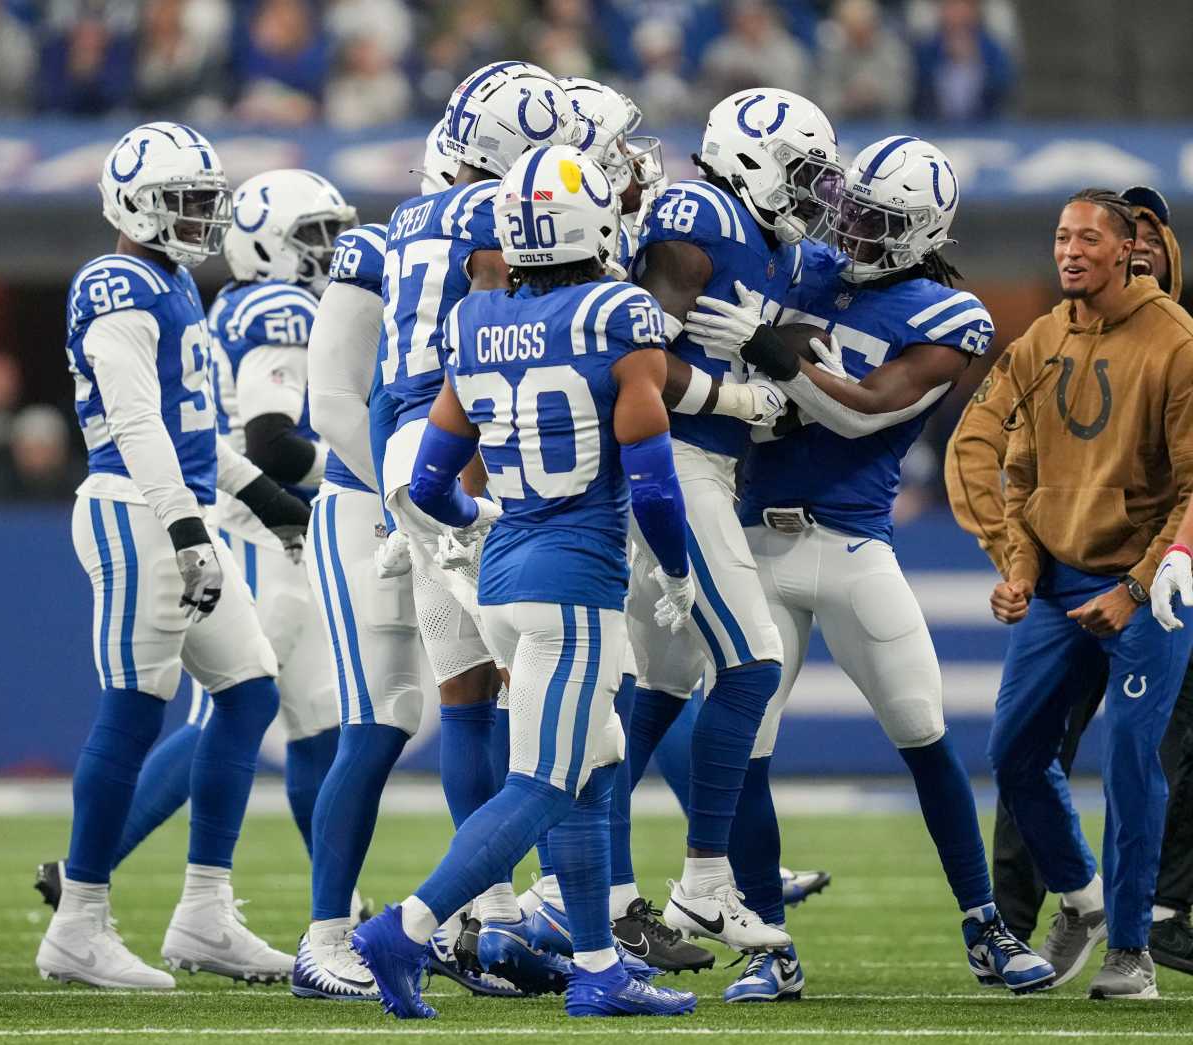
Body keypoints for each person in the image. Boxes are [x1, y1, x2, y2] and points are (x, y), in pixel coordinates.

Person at [688, 134, 1054, 997]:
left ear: (923, 231)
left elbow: (861, 416)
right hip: (752, 538)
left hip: (852, 545)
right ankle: (767, 947)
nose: (848, 227)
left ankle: (985, 925)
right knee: (748, 746)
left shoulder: (946, 316)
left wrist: (775, 351)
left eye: (875, 219)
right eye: (849, 207)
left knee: (922, 730)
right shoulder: (802, 265)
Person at [352, 143, 697, 1021]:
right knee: (544, 782)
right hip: (574, 583)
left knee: (594, 767)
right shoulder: (620, 314)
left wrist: (481, 519)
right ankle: (409, 926)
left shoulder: (474, 320)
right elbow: (653, 481)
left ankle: (596, 965)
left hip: (505, 580)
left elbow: (430, 485)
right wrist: (680, 572)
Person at [35, 122, 310, 989]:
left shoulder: (172, 281)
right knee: (135, 710)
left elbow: (191, 427)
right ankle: (78, 923)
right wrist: (188, 529)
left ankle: (203, 912)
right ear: (133, 205)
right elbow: (135, 424)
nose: (199, 219)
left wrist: (263, 497)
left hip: (174, 504)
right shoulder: (115, 282)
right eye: (184, 203)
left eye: (204, 202)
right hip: (134, 513)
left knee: (249, 689)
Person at [620, 88, 839, 1001]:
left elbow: (800, 349)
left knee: (659, 687)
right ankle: (705, 883)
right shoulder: (698, 208)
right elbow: (636, 350)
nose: (810, 194)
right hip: (672, 460)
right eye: (801, 172)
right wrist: (740, 396)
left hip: (702, 468)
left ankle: (564, 883)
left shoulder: (775, 247)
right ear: (748, 159)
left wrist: (777, 352)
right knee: (748, 663)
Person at [372, 61, 585, 996]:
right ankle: (539, 914)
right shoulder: (492, 222)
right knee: (537, 691)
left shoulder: (405, 220)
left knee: (467, 693)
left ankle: (491, 914)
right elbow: (497, 335)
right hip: (467, 444)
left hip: (408, 444)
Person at [945, 185, 1193, 975]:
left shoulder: (1176, 342)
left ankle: (1132, 948)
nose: (1070, 251)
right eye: (1061, 237)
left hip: (1149, 588)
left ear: (1128, 251)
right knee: (1014, 751)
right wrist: (1015, 562)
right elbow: (997, 460)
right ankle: (1081, 896)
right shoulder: (1043, 336)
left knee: (1133, 756)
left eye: (1089, 239)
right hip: (1057, 580)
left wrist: (1139, 584)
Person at [290, 137, 452, 1001]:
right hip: (369, 507)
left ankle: (482, 919)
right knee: (382, 716)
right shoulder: (376, 247)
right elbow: (335, 401)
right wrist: (403, 495)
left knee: (483, 702)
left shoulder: (502, 245)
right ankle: (325, 936)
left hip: (448, 505)